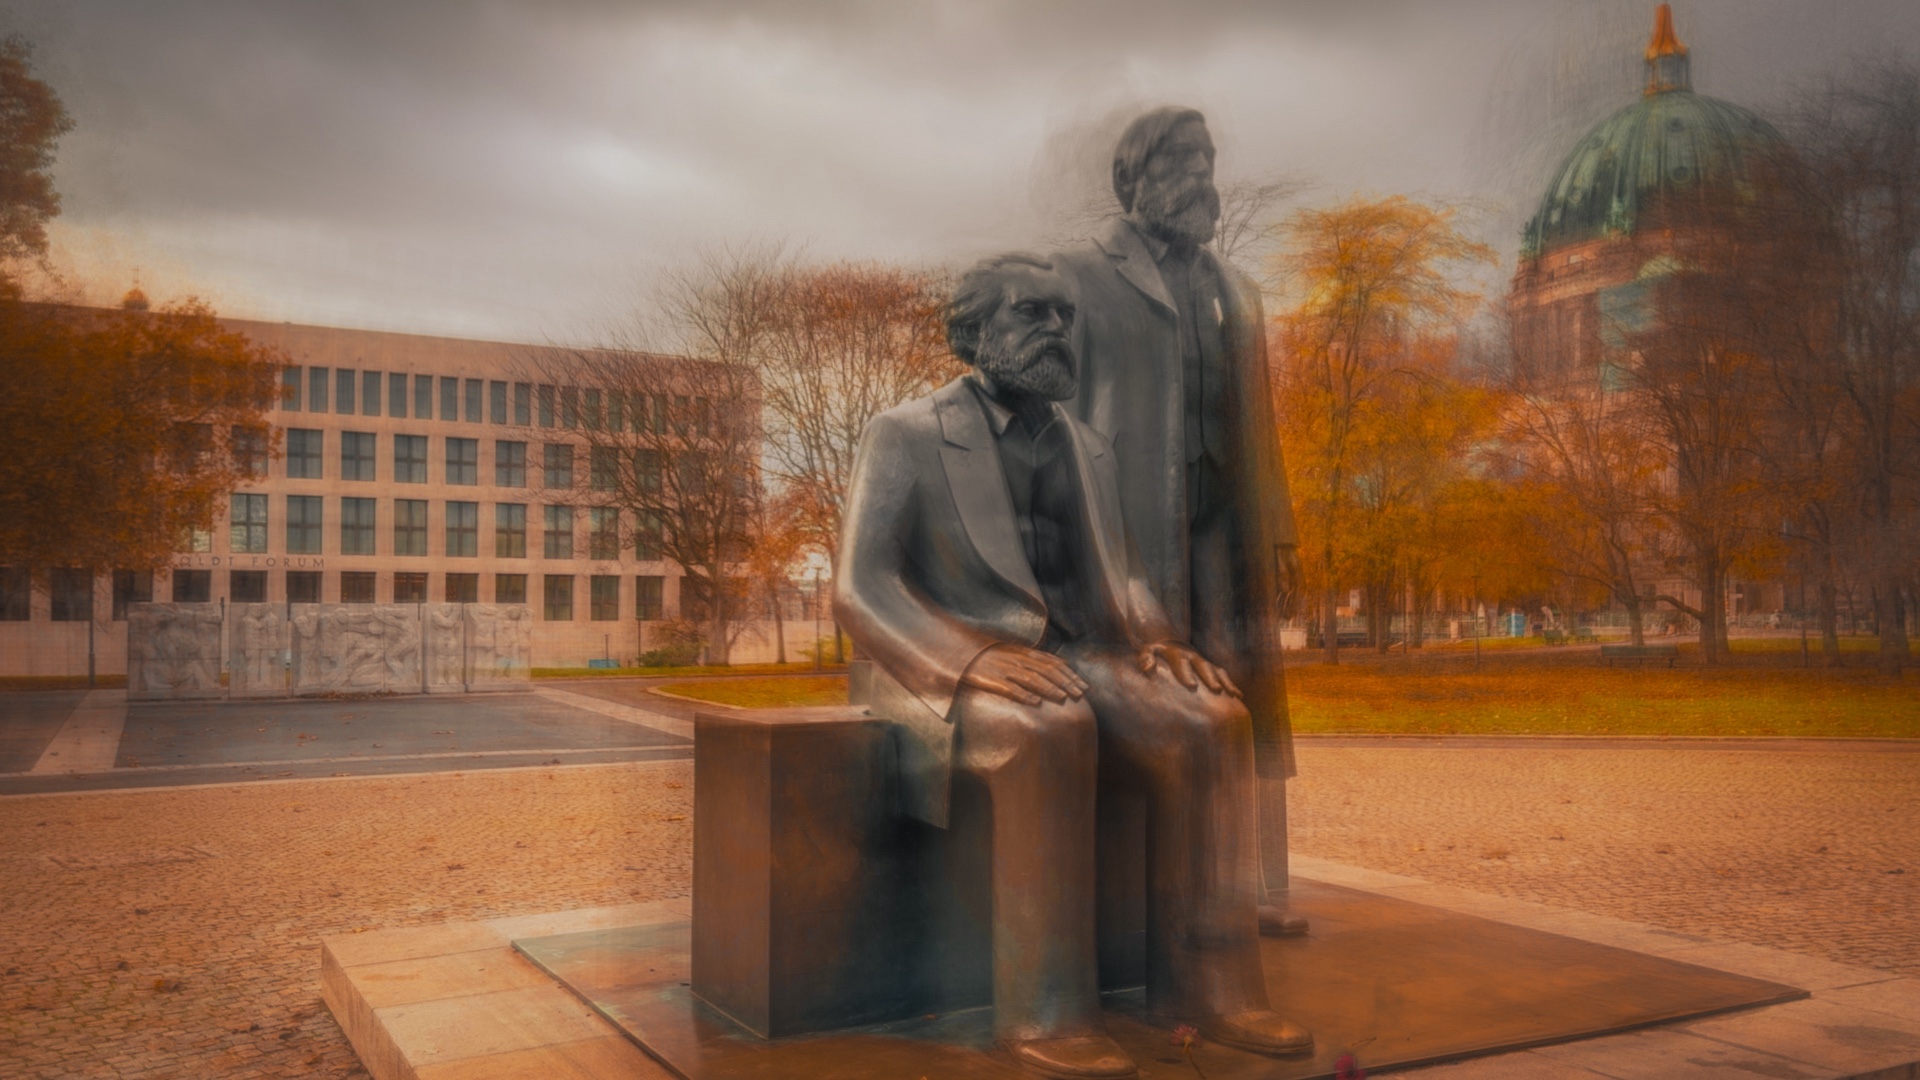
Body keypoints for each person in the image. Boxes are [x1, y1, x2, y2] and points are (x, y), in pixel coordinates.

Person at [836, 253, 1311, 1079]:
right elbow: (860, 586)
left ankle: (1211, 988)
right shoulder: (905, 433)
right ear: (974, 332)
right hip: (939, 663)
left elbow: (1120, 577)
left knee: (1212, 721)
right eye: (1034, 314)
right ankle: (1047, 1012)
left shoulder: (1087, 446)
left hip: (1075, 654)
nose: (1059, 331)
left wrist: (1158, 639)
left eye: (1065, 316)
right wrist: (972, 657)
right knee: (1046, 732)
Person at [1053, 108, 1305, 935]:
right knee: (1151, 691)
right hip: (1124, 526)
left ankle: (1233, 890)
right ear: (1131, 182)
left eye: (1206, 157)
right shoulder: (1078, 276)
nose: (1201, 174)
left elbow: (1260, 425)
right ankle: (1138, 897)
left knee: (1236, 685)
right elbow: (1051, 411)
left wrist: (1278, 533)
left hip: (1221, 526)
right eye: (1179, 160)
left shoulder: (1238, 289)